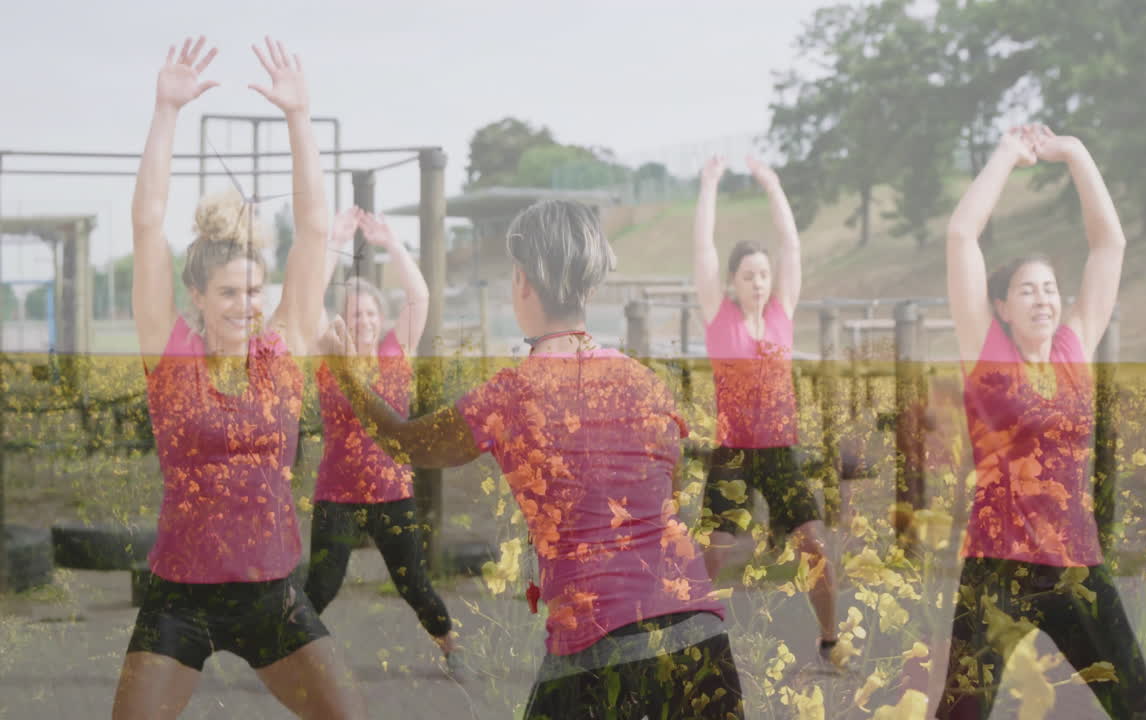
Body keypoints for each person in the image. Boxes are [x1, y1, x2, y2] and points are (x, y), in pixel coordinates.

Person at [321, 199, 744, 719]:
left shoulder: (510, 395)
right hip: (701, 643)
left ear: (521, 281)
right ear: (588, 287)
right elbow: (667, 497)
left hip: (599, 651)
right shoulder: (647, 382)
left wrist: (343, 371)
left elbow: (405, 442)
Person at [113, 36, 366, 719]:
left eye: (255, 290)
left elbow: (314, 232)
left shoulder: (284, 356)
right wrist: (166, 109)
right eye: (230, 293)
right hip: (179, 595)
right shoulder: (170, 360)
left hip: (272, 595)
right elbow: (146, 227)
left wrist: (299, 116)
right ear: (198, 296)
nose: (247, 305)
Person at [936, 124, 1146, 719]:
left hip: (1074, 563)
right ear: (1002, 308)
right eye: (1027, 291)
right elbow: (962, 235)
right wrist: (1007, 157)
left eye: (1050, 290)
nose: (1043, 299)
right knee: (962, 712)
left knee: (1138, 708)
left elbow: (1107, 245)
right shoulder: (985, 354)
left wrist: (1076, 154)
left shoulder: (1074, 348)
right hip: (997, 567)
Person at [693, 155, 841, 669]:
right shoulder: (719, 315)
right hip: (733, 453)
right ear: (732, 281)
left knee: (814, 544)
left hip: (780, 452)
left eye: (764, 275)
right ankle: (689, 639)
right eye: (749, 275)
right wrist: (709, 183)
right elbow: (703, 250)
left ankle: (829, 639)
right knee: (714, 550)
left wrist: (772, 182)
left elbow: (792, 244)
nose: (758, 282)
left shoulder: (781, 312)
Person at [303, 206, 463, 674]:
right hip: (338, 493)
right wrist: (334, 239)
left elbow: (419, 295)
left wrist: (391, 243)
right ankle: (291, 659)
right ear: (342, 321)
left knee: (413, 583)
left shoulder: (396, 352)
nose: (365, 320)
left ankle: (452, 649)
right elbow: (309, 295)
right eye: (355, 313)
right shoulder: (329, 356)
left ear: (381, 317)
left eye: (371, 312)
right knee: (322, 585)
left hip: (392, 493)